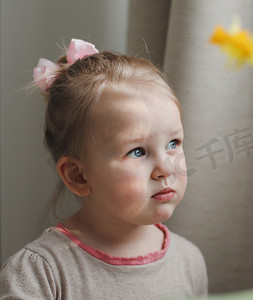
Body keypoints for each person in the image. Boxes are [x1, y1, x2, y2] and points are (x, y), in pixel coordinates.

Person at [0, 38, 208, 299]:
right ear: (78, 176)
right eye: (137, 151)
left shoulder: (189, 262)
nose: (166, 168)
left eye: (173, 143)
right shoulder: (40, 273)